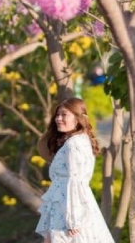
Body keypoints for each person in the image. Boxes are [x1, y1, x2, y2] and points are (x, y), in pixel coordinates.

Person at [35, 97, 114, 243]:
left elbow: (76, 181)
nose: (58, 119)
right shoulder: (76, 141)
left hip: (69, 208)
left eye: (64, 114)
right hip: (63, 204)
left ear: (78, 119)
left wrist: (74, 218)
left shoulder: (75, 144)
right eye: (57, 115)